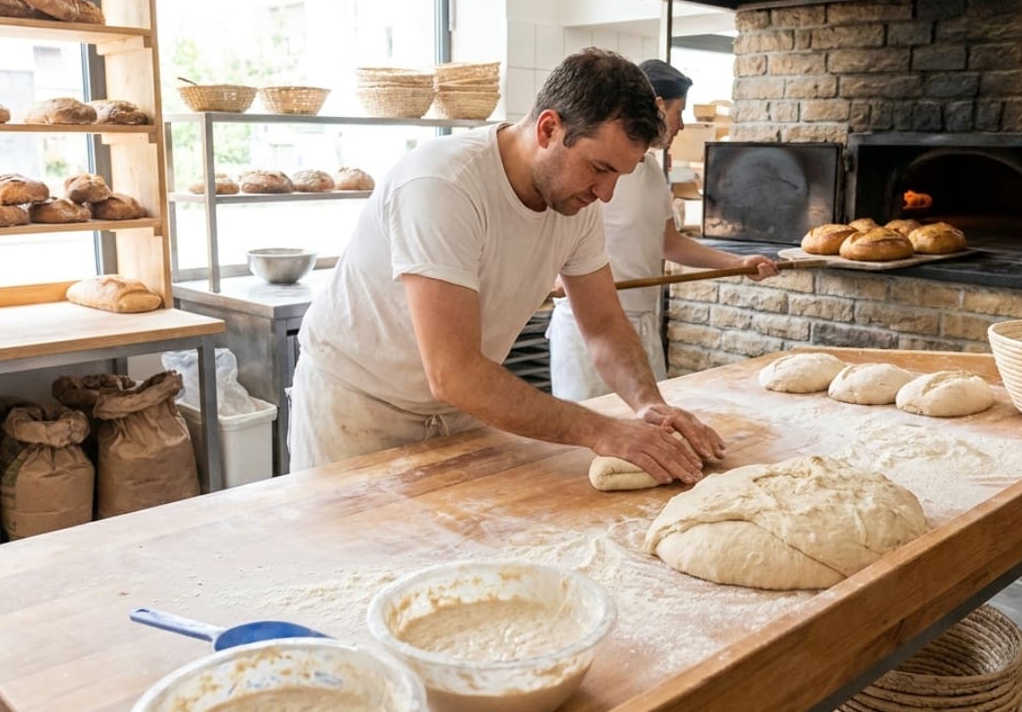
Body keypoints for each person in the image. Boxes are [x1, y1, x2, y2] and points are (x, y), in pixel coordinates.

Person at [289, 48, 724, 484]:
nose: (606, 193)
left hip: (458, 411)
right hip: (359, 409)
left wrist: (648, 404)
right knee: (356, 550)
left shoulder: (577, 204)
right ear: (549, 128)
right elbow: (453, 372)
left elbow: (605, 324)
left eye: (618, 176)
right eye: (599, 168)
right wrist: (601, 429)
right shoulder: (444, 186)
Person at [548, 60, 778, 401]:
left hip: (640, 326)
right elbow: (553, 229)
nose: (682, 125)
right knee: (589, 436)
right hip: (585, 328)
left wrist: (736, 264)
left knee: (648, 425)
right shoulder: (590, 170)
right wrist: (552, 274)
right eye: (678, 112)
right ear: (654, 108)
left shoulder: (653, 172)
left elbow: (669, 243)